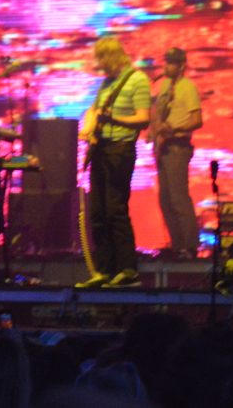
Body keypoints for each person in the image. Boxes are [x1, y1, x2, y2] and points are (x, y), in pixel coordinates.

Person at [81, 33, 150, 288]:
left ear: (111, 56)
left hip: (120, 149)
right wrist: (90, 126)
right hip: (101, 149)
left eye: (101, 58)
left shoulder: (137, 80)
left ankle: (127, 269)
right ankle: (104, 270)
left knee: (115, 209)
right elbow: (95, 110)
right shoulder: (106, 83)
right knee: (98, 211)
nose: (98, 64)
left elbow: (143, 119)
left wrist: (114, 121)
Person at [148, 47, 202, 260]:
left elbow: (197, 120)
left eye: (171, 63)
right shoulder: (164, 87)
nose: (166, 66)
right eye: (166, 62)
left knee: (179, 197)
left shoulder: (187, 88)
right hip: (164, 147)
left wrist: (173, 128)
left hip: (178, 146)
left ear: (181, 66)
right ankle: (177, 245)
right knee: (165, 199)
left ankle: (189, 246)